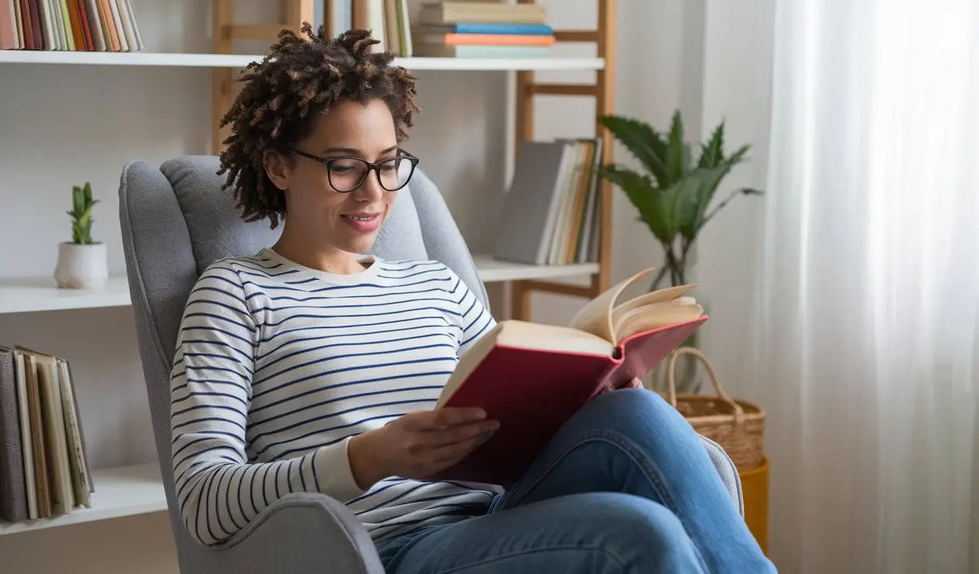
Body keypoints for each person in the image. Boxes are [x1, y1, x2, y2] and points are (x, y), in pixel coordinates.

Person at [170, 25, 776, 573]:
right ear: (278, 165)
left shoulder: (435, 285)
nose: (374, 193)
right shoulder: (236, 294)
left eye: (387, 165)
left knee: (635, 415)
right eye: (344, 167)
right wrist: (368, 457)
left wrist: (593, 389)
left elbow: (511, 421)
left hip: (503, 507)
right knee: (643, 533)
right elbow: (204, 499)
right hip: (393, 545)